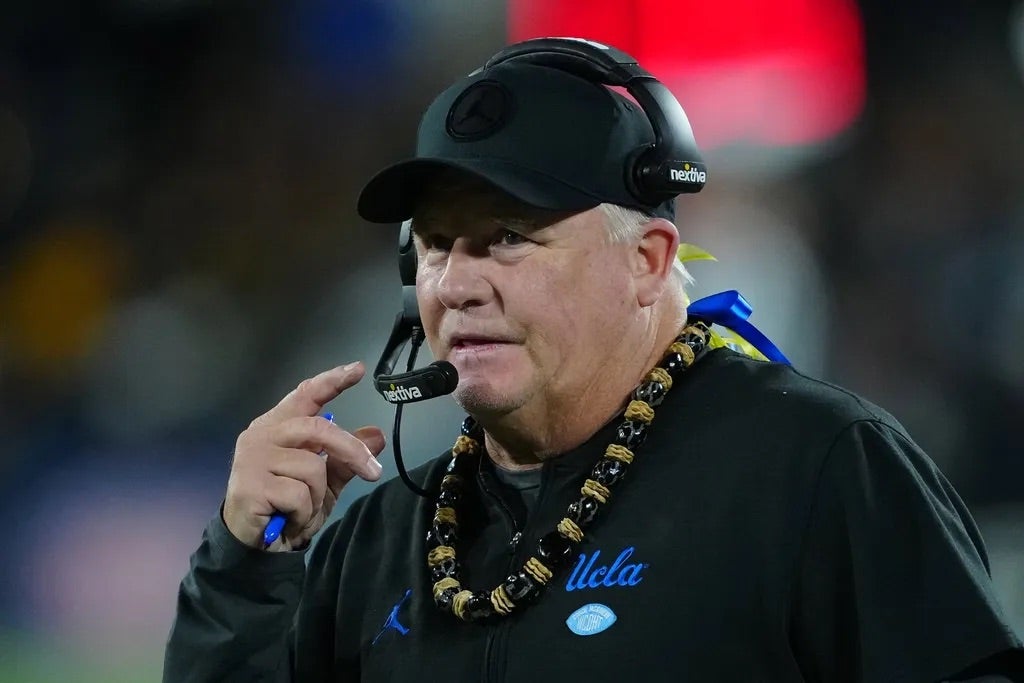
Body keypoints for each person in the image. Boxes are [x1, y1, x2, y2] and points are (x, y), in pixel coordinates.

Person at [164, 38, 1024, 682]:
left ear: (647, 261)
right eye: (433, 246)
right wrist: (243, 565)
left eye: (507, 238)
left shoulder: (819, 469)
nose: (456, 282)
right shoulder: (379, 540)